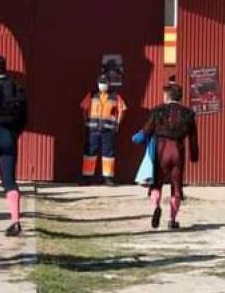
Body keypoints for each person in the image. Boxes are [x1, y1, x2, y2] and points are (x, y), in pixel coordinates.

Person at [132, 82, 199, 229]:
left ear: (167, 96)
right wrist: (194, 156)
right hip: (178, 150)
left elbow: (147, 131)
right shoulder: (188, 114)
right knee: (176, 187)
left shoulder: (158, 111)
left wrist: (136, 138)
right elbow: (193, 138)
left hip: (161, 150)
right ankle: (172, 220)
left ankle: (156, 206)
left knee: (157, 183)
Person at [0, 53, 27, 237]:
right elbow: (24, 117)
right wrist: (15, 133)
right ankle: (15, 220)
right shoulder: (17, 88)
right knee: (10, 181)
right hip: (9, 136)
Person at [80, 74, 127, 186]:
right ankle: (87, 178)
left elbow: (123, 109)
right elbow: (84, 109)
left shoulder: (115, 96)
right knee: (90, 153)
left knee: (108, 154)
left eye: (105, 83)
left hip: (108, 130)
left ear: (108, 84)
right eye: (101, 83)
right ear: (98, 84)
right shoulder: (91, 95)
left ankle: (108, 178)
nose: (103, 85)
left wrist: (118, 123)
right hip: (93, 129)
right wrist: (86, 122)